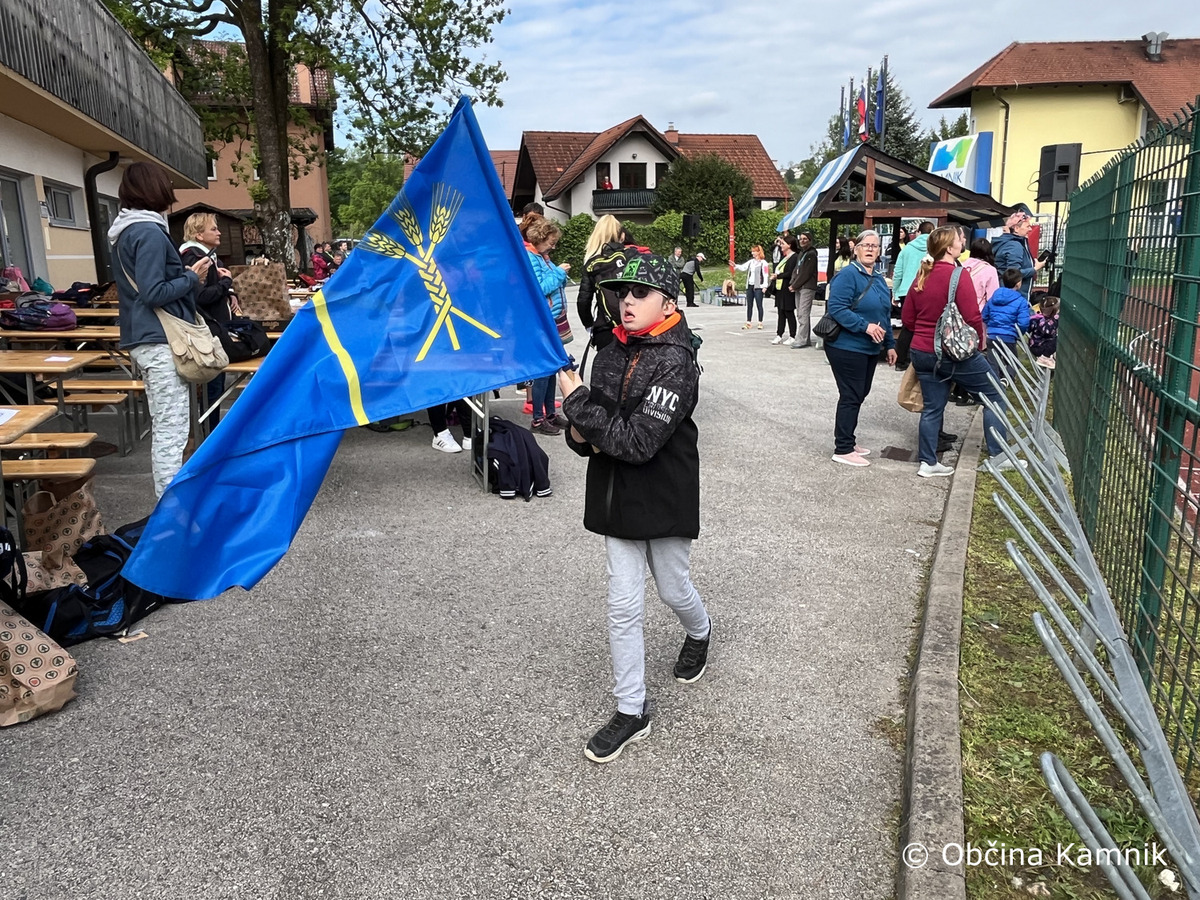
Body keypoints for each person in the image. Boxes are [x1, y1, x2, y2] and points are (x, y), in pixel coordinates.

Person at [557, 252, 708, 764]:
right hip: (615, 493)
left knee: (672, 588)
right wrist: (581, 430)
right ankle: (631, 708)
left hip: (664, 489)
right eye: (621, 292)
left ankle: (700, 631)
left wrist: (579, 409)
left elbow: (639, 441)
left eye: (640, 293)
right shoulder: (608, 351)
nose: (627, 301)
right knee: (623, 606)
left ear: (668, 302)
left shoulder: (677, 361)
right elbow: (589, 434)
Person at [109, 161, 211, 497]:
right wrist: (191, 277)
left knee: (167, 423)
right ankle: (170, 508)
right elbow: (153, 292)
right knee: (171, 429)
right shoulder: (149, 232)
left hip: (144, 336)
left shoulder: (125, 231)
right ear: (154, 189)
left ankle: (170, 502)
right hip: (160, 338)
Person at [901, 225, 1014, 478]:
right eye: (958, 240)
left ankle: (928, 462)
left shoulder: (922, 274)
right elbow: (972, 315)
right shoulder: (958, 275)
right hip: (952, 351)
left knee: (932, 408)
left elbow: (908, 318)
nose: (962, 242)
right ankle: (998, 456)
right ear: (950, 248)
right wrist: (979, 343)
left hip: (922, 351)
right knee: (995, 395)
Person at [822, 230, 895, 466]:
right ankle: (843, 449)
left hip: (870, 348)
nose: (871, 249)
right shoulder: (847, 275)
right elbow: (837, 308)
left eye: (875, 246)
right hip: (846, 346)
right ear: (856, 249)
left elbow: (884, 314)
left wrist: (890, 344)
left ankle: (849, 441)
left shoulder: (879, 279)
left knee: (860, 393)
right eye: (866, 245)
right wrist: (865, 326)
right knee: (851, 395)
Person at [179, 212, 241, 425]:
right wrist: (226, 283)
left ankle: (209, 430)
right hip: (206, 331)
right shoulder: (195, 258)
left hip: (213, 328)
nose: (219, 232)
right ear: (198, 235)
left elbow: (218, 283)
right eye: (213, 229)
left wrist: (229, 291)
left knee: (215, 387)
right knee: (211, 388)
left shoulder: (209, 256)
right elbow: (201, 296)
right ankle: (208, 433)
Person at [523, 217, 571, 435]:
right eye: (551, 242)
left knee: (552, 367)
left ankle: (550, 414)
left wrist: (559, 273)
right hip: (542, 321)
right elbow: (541, 288)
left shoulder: (542, 256)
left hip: (550, 319)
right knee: (544, 370)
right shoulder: (531, 258)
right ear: (540, 238)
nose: (553, 246)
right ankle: (538, 419)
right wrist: (559, 272)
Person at [576, 215, 626, 351]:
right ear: (621, 236)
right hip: (633, 328)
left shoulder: (593, 264)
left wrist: (589, 325)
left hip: (606, 328)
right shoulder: (631, 257)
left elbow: (583, 301)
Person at [981, 267, 1031, 376]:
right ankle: (1007, 380)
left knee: (993, 363)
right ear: (1018, 283)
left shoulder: (993, 298)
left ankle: (995, 382)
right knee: (1013, 362)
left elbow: (984, 315)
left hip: (992, 335)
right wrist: (1018, 333)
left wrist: (992, 326)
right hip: (1009, 336)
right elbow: (1023, 323)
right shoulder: (1021, 301)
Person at [992, 210, 1045, 303]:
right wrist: (1035, 269)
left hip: (1007, 296)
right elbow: (1013, 274)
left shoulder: (1008, 243)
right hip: (1015, 298)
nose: (1030, 229)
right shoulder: (1014, 246)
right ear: (1016, 228)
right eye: (1027, 226)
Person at [766, 235, 800, 345]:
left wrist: (778, 276)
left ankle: (792, 335)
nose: (781, 246)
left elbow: (790, 273)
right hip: (779, 288)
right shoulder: (784, 257)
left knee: (788, 312)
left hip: (787, 288)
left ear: (789, 245)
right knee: (781, 312)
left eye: (783, 243)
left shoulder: (794, 257)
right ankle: (779, 334)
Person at [789, 231, 819, 348]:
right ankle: (805, 338)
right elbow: (796, 269)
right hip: (798, 286)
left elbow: (806, 273)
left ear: (810, 241)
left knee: (803, 313)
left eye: (805, 239)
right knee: (800, 314)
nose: (802, 241)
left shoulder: (811, 254)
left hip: (807, 287)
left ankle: (801, 339)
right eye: (801, 239)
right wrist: (792, 282)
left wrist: (795, 285)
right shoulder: (801, 253)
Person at [734, 244, 769, 329]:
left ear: (759, 252)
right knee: (749, 304)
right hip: (750, 285)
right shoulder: (751, 262)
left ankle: (760, 322)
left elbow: (766, 274)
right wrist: (736, 266)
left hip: (758, 286)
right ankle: (748, 322)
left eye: (754, 251)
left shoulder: (763, 263)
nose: (752, 253)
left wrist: (765, 286)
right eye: (752, 251)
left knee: (759, 304)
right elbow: (743, 267)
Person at [962, 238, 999, 311]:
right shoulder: (990, 270)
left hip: (959, 309)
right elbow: (993, 297)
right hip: (979, 311)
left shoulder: (961, 266)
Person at [1028, 296, 1059, 371]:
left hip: (1034, 345)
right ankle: (1044, 357)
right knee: (1057, 339)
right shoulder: (1046, 321)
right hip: (1040, 347)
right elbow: (1047, 331)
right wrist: (1056, 319)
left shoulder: (1036, 318)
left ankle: (1047, 358)